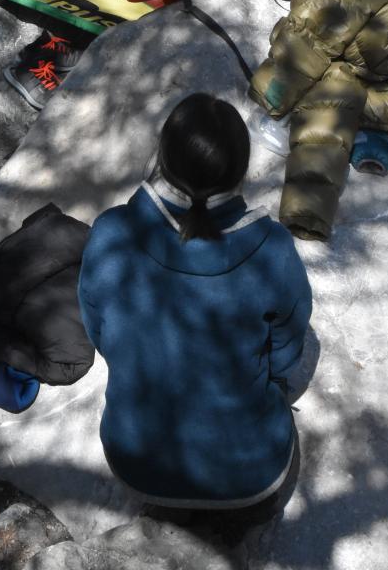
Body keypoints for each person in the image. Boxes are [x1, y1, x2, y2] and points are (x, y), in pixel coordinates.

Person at [77, 93, 312, 510]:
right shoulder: (272, 250)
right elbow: (287, 351)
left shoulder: (112, 233)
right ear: (239, 171)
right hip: (251, 474)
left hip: (136, 463)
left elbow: (99, 332)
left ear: (164, 158)